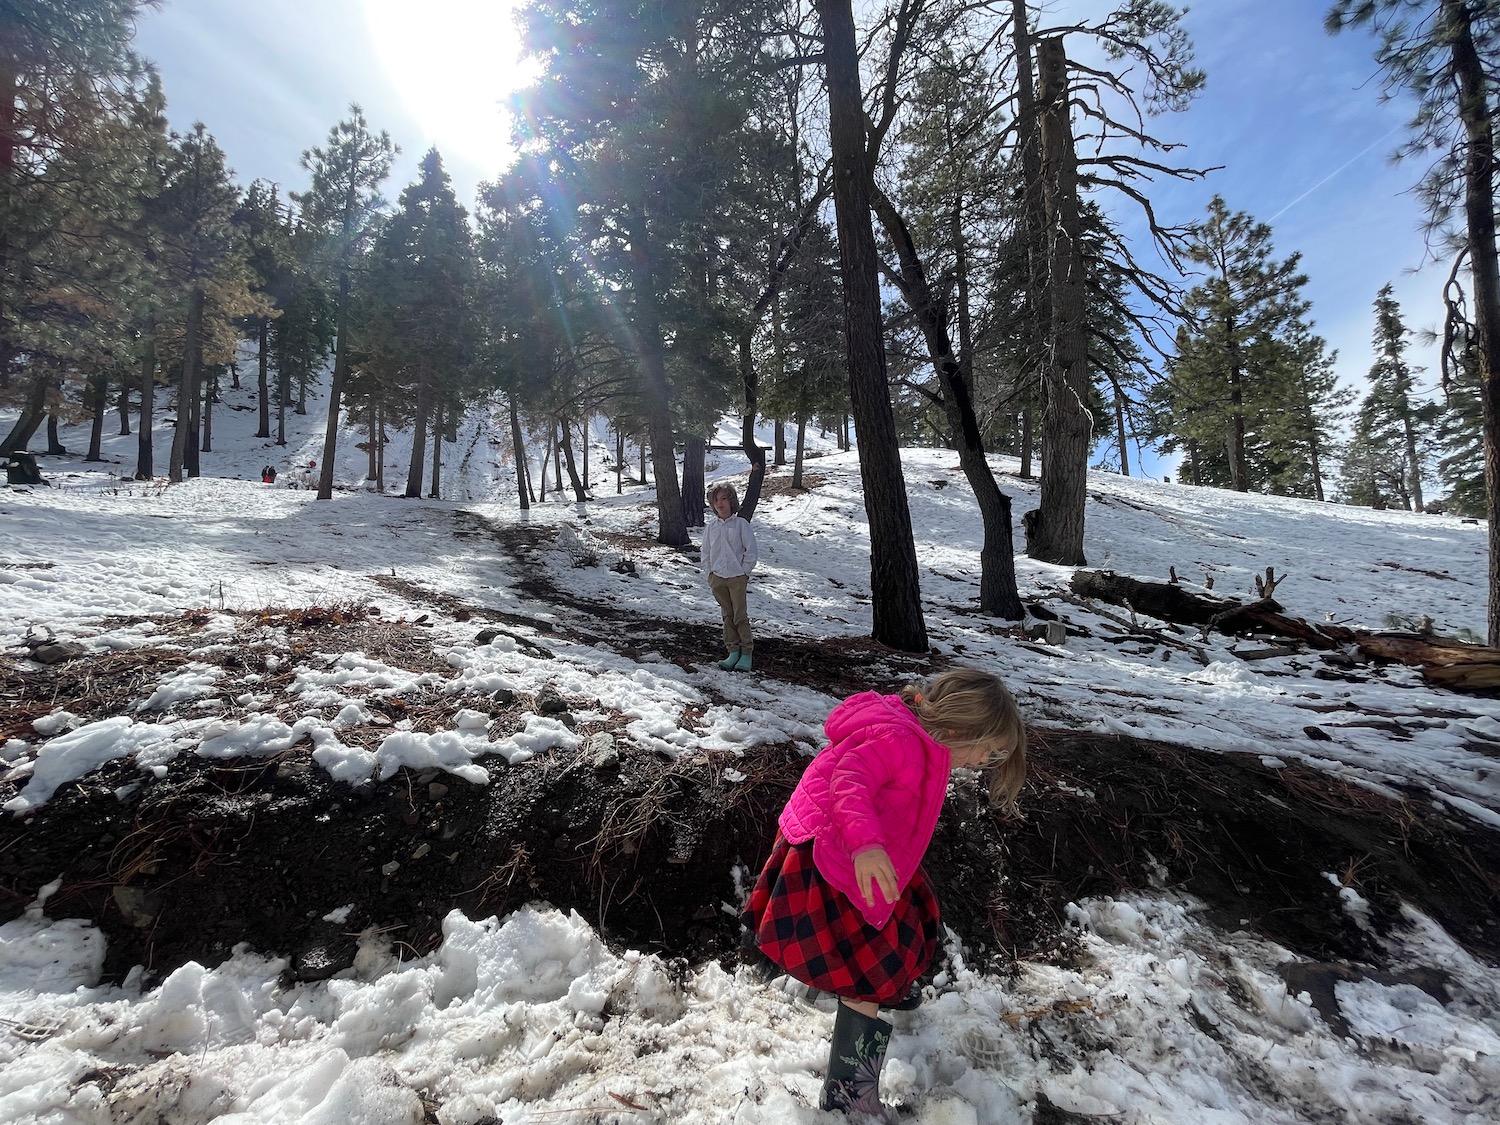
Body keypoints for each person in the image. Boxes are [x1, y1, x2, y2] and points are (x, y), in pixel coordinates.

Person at [741, 668, 1028, 1115]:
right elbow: (849, 781)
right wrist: (867, 846)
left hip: (863, 851)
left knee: (907, 918)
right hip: (837, 854)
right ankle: (848, 1092)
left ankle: (875, 987)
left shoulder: (923, 740)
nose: (981, 764)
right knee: (865, 971)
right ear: (958, 728)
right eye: (986, 752)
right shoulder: (900, 740)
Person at [701, 481, 758, 671]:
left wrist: (744, 572)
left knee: (739, 615)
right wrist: (710, 573)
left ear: (731, 501)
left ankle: (746, 653)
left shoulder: (741, 524)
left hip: (736, 578)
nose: (720, 503)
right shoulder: (711, 527)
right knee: (727, 615)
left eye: (724, 498)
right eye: (716, 500)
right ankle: (733, 651)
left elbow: (751, 551)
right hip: (717, 578)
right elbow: (706, 552)